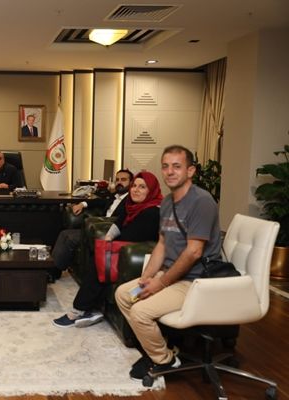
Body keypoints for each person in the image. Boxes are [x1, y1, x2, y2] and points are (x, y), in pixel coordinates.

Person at [115, 145, 222, 381]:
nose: (170, 171)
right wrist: (147, 276)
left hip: (196, 281)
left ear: (190, 171)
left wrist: (160, 283)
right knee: (124, 294)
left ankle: (165, 360)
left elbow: (194, 252)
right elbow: (162, 244)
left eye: (177, 166)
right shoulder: (166, 203)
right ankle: (159, 348)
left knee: (140, 312)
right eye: (165, 166)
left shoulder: (201, 202)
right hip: (170, 275)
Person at [53, 171, 162, 328]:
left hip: (136, 255)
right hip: (122, 249)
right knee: (98, 256)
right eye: (135, 186)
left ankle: (79, 310)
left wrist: (108, 247)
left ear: (151, 190)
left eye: (142, 187)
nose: (136, 190)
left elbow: (131, 237)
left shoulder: (152, 212)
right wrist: (108, 238)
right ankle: (89, 308)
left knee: (100, 261)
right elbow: (118, 223)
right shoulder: (132, 205)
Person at [49, 169, 134, 282]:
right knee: (64, 233)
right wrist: (82, 204)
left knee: (70, 237)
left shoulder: (131, 200)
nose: (119, 182)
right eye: (117, 180)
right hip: (96, 229)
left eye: (123, 180)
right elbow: (99, 201)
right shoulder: (114, 196)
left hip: (107, 233)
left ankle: (53, 272)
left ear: (131, 182)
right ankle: (53, 269)